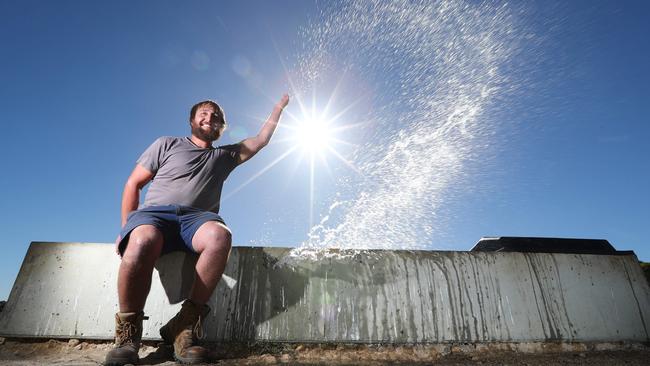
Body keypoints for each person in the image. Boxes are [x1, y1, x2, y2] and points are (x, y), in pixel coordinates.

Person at [104, 94, 290, 366]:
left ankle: (184, 327)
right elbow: (134, 184)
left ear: (221, 128)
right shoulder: (166, 144)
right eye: (204, 113)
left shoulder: (224, 155)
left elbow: (260, 140)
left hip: (198, 219)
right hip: (156, 215)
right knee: (143, 240)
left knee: (220, 235)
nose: (209, 117)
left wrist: (277, 110)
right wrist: (126, 227)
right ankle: (128, 334)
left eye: (216, 116)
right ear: (192, 120)